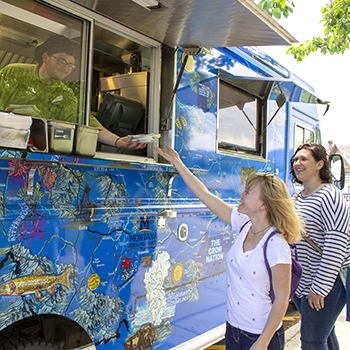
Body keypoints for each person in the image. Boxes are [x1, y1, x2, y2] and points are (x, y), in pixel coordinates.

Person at [154, 145, 303, 350]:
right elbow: (205, 195)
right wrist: (178, 162)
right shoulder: (244, 224)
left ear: (264, 205)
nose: (241, 194)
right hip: (233, 330)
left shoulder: (276, 244)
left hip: (260, 336)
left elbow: (281, 301)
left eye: (249, 192)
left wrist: (262, 342)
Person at [0, 34, 146, 151]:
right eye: (62, 62)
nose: (66, 69)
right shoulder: (14, 72)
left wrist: (119, 141)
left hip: (36, 154)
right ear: (45, 57)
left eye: (71, 65)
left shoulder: (65, 94)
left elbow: (90, 125)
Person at [290, 143, 350, 350]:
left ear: (320, 164)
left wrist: (320, 288)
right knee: (324, 334)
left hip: (327, 284)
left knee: (312, 341)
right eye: (295, 159)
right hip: (303, 284)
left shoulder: (331, 197)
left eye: (304, 159)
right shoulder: (297, 197)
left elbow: (336, 247)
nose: (297, 163)